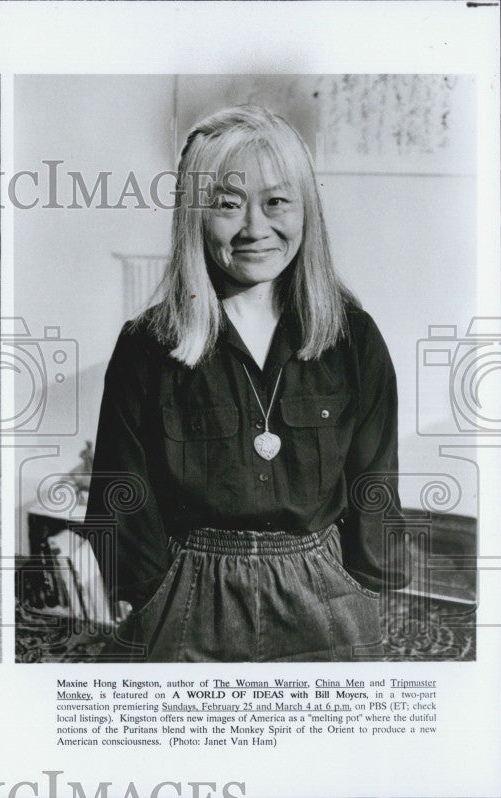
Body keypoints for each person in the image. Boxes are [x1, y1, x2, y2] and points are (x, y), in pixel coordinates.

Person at [86, 106, 405, 662]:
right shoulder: (146, 345)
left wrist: (363, 591)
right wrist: (157, 596)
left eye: (277, 202)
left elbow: (374, 482)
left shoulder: (354, 338)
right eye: (228, 206)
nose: (256, 228)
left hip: (324, 593)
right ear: (193, 218)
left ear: (307, 210)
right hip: (187, 598)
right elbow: (120, 498)